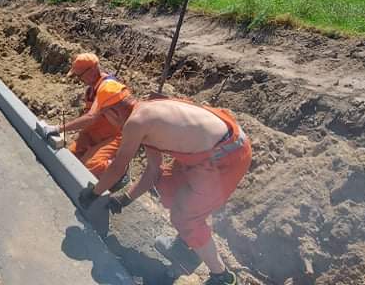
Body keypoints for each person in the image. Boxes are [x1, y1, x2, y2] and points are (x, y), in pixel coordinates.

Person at [78, 89, 252, 285]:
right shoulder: (145, 113)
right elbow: (154, 171)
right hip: (208, 152)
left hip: (227, 156)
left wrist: (93, 193)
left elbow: (118, 167)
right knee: (167, 184)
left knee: (186, 217)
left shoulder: (136, 123)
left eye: (105, 117)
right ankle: (185, 248)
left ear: (113, 112)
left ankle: (223, 277)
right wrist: (124, 199)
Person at [40, 54, 129, 187]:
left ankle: (120, 171)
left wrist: (58, 128)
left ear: (92, 71)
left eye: (79, 75)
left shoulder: (109, 87)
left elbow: (90, 117)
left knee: (89, 168)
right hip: (94, 135)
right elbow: (89, 119)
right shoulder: (91, 91)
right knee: (68, 159)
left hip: (115, 137)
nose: (79, 79)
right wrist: (82, 137)